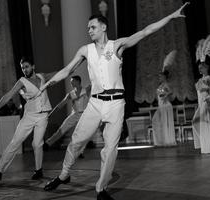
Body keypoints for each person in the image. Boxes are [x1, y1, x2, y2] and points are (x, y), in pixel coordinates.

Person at [40, 3, 189, 199]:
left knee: (110, 149)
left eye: (92, 27)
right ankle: (63, 174)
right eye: (88, 28)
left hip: (116, 104)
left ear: (103, 27)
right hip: (95, 103)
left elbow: (146, 31)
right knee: (76, 142)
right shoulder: (85, 50)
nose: (89, 31)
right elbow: (67, 70)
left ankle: (101, 189)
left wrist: (170, 16)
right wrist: (48, 83)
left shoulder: (117, 45)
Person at [0, 57, 55, 186]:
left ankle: (38, 170)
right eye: (22, 68)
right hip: (29, 116)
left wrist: (78, 62)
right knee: (15, 143)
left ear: (33, 66)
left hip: (43, 116)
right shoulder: (22, 81)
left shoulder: (42, 76)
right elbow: (7, 96)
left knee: (37, 144)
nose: (24, 69)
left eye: (26, 66)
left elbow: (62, 73)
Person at [44, 76, 91, 153]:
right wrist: (50, 114)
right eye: (70, 81)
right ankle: (47, 143)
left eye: (72, 81)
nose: (71, 83)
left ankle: (80, 151)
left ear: (78, 81)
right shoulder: (70, 94)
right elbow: (60, 105)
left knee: (82, 134)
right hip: (74, 115)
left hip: (84, 116)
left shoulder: (86, 90)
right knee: (61, 129)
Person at [192, 63, 210, 154]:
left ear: (206, 68)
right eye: (199, 68)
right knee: (196, 122)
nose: (200, 69)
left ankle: (209, 147)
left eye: (201, 68)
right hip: (201, 103)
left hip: (206, 102)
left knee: (206, 125)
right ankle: (204, 145)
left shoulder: (209, 78)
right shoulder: (200, 80)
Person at [152, 69, 176, 147]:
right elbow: (158, 95)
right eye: (159, 77)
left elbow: (171, 91)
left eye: (160, 76)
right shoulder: (160, 85)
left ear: (164, 77)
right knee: (156, 121)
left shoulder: (166, 84)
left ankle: (168, 141)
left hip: (166, 105)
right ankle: (161, 141)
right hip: (161, 105)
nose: (159, 78)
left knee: (166, 123)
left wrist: (166, 95)